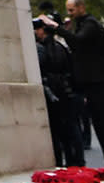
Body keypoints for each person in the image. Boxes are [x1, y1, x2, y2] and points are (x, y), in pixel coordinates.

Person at [61, 0, 104, 170]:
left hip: (100, 81)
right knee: (100, 123)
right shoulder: (82, 25)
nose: (70, 14)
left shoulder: (91, 24)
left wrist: (58, 30)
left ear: (81, 7)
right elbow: (77, 47)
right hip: (92, 82)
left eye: (72, 10)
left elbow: (79, 42)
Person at [32, 16, 82, 167]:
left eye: (38, 29)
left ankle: (64, 161)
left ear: (43, 31)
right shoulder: (61, 47)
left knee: (58, 132)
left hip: (55, 93)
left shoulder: (42, 49)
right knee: (70, 130)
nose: (35, 32)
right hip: (65, 92)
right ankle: (74, 160)